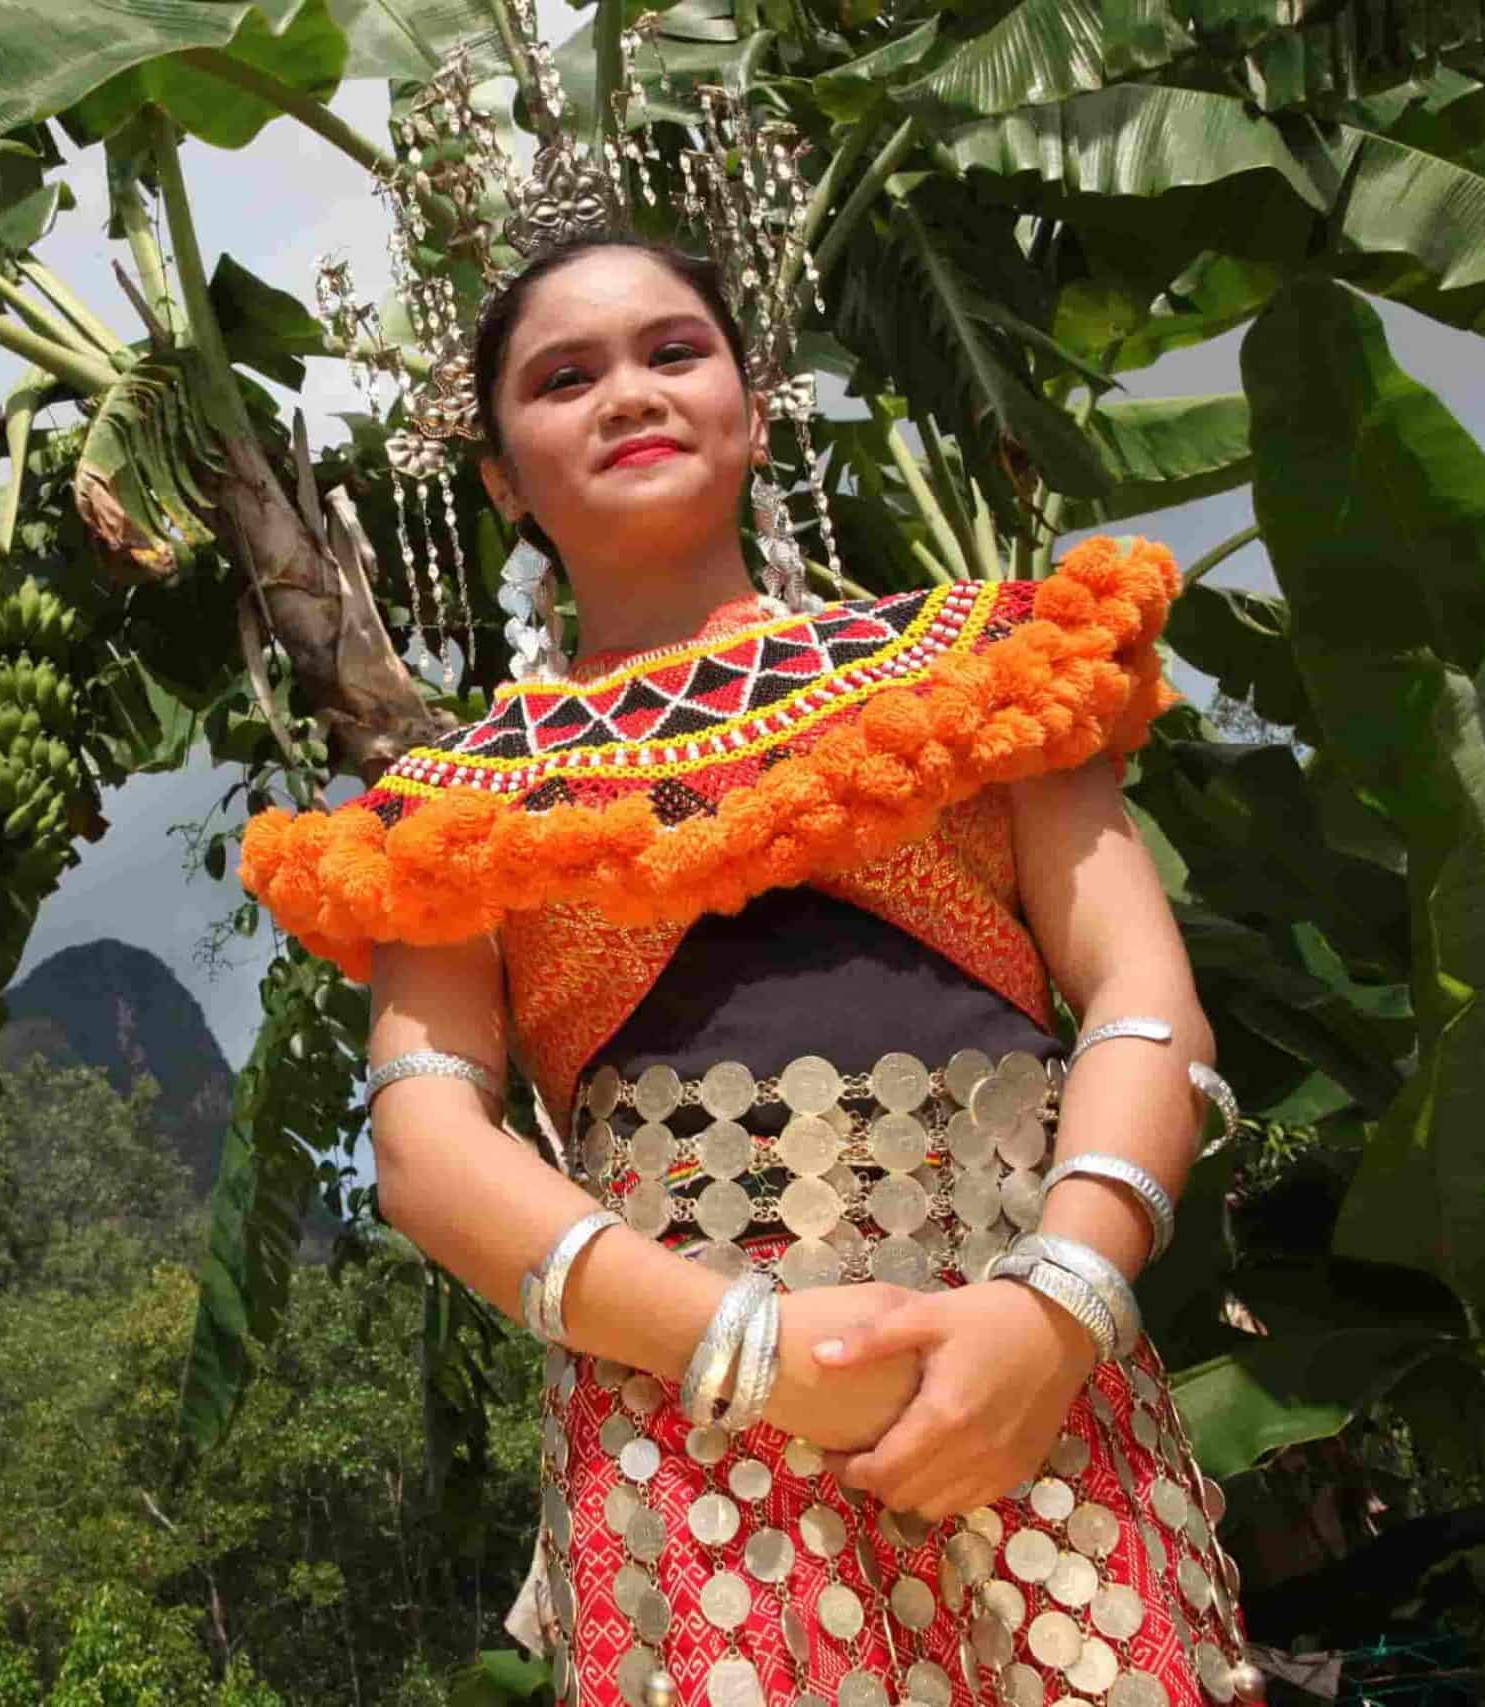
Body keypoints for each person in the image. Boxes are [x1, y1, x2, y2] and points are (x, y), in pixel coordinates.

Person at [241, 234, 1261, 1707]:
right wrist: (750, 1351)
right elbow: (426, 1142)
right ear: (503, 481)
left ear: (751, 403)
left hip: (1031, 1394)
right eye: (563, 377)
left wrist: (1053, 1315)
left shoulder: (985, 670)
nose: (627, 395)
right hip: (693, 1459)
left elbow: (1142, 1001)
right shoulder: (454, 809)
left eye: (674, 352)